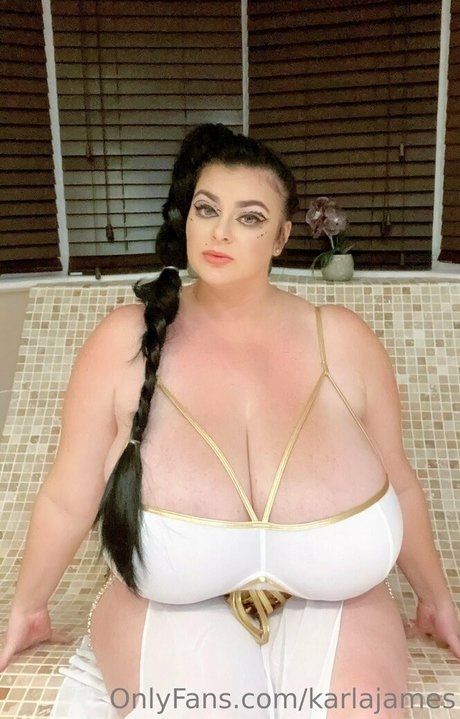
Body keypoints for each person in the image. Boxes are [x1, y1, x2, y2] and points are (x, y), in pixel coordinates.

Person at [1, 123, 459, 719]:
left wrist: (436, 598)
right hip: (170, 609)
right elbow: (70, 493)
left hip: (341, 606)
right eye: (206, 209)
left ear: (282, 237)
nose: (220, 232)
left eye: (249, 217)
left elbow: (399, 481)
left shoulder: (344, 341)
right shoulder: (124, 341)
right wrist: (28, 606)